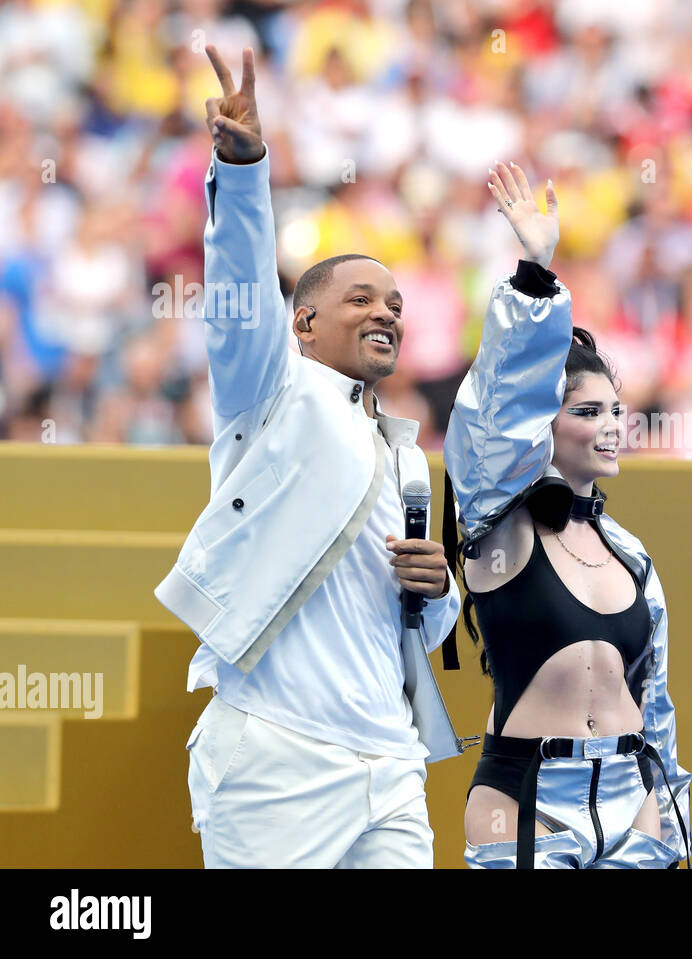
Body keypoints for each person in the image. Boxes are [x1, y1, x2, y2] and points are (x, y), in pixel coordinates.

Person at [154, 46, 466, 868]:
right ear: (303, 324)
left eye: (396, 304)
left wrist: (438, 589)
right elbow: (239, 290)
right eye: (360, 298)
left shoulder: (405, 454)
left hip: (392, 761)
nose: (386, 313)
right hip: (276, 758)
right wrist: (246, 166)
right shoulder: (271, 393)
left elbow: (415, 633)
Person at [442, 160, 691, 869]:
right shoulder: (502, 522)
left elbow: (659, 703)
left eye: (617, 410)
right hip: (528, 804)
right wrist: (533, 273)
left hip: (634, 802)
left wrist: (671, 814)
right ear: (544, 425)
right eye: (587, 411)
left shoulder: (630, 553)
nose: (611, 425)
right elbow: (493, 420)